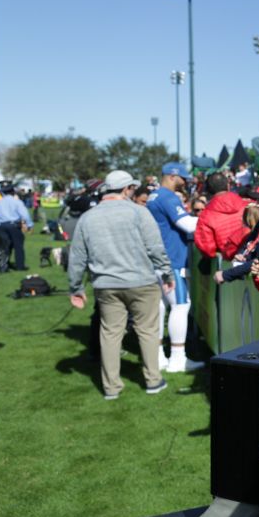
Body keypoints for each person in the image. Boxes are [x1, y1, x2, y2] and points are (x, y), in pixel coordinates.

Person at [66, 171, 173, 399]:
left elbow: (76, 257)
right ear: (127, 189)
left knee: (111, 333)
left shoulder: (88, 217)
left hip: (106, 285)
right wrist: (167, 274)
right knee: (147, 330)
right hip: (141, 282)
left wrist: (76, 288)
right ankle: (153, 380)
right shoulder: (139, 212)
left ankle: (111, 387)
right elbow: (156, 247)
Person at [147, 161, 200, 372]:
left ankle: (159, 357)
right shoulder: (167, 196)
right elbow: (187, 224)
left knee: (159, 308)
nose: (184, 182)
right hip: (172, 260)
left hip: (157, 259)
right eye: (182, 178)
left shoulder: (154, 196)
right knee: (180, 305)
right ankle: (178, 358)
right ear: (172, 176)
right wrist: (211, 219)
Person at [193, 172, 249, 260]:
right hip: (252, 260)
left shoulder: (206, 215)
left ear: (208, 191)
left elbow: (207, 249)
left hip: (227, 263)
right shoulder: (248, 205)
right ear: (228, 186)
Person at [0, 181, 32, 271]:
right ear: (13, 192)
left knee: (4, 246)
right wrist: (29, 225)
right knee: (18, 246)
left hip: (1, 226)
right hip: (14, 226)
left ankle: (3, 266)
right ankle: (20, 266)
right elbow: (24, 214)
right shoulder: (17, 202)